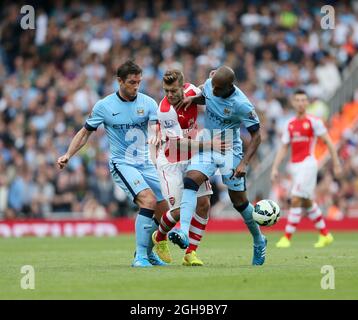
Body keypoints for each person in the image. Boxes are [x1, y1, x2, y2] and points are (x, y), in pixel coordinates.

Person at [57, 60, 169, 267]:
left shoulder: (149, 103)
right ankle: (140, 257)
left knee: (165, 211)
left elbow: (155, 130)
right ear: (119, 81)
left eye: (139, 82)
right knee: (148, 201)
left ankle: (148, 252)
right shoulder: (104, 106)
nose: (136, 86)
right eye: (131, 82)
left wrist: (158, 138)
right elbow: (84, 133)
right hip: (122, 164)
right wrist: (68, 154)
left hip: (145, 163)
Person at [168, 66, 267, 266]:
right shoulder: (210, 84)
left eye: (217, 89)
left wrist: (243, 163)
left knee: (239, 202)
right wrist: (193, 99)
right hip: (208, 145)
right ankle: (183, 231)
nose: (212, 90)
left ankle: (259, 240)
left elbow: (257, 135)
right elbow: (207, 98)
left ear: (229, 86)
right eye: (211, 86)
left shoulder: (242, 104)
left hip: (230, 150)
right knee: (191, 180)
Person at [153, 69, 226, 266]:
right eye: (166, 90)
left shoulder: (191, 91)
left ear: (182, 87)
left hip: (192, 159)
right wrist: (210, 145)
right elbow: (179, 144)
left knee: (204, 204)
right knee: (178, 212)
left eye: (174, 90)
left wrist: (211, 81)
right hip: (171, 162)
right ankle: (159, 238)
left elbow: (205, 92)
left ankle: (190, 253)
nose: (170, 95)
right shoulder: (165, 110)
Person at [271, 89, 342, 248]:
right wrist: (275, 167)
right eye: (298, 100)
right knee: (307, 202)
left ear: (307, 102)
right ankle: (325, 234)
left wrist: (336, 163)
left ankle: (287, 237)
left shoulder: (314, 121)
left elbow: (329, 142)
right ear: (293, 102)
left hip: (308, 163)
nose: (301, 103)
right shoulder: (289, 124)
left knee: (296, 198)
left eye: (304, 100)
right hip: (294, 166)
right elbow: (283, 147)